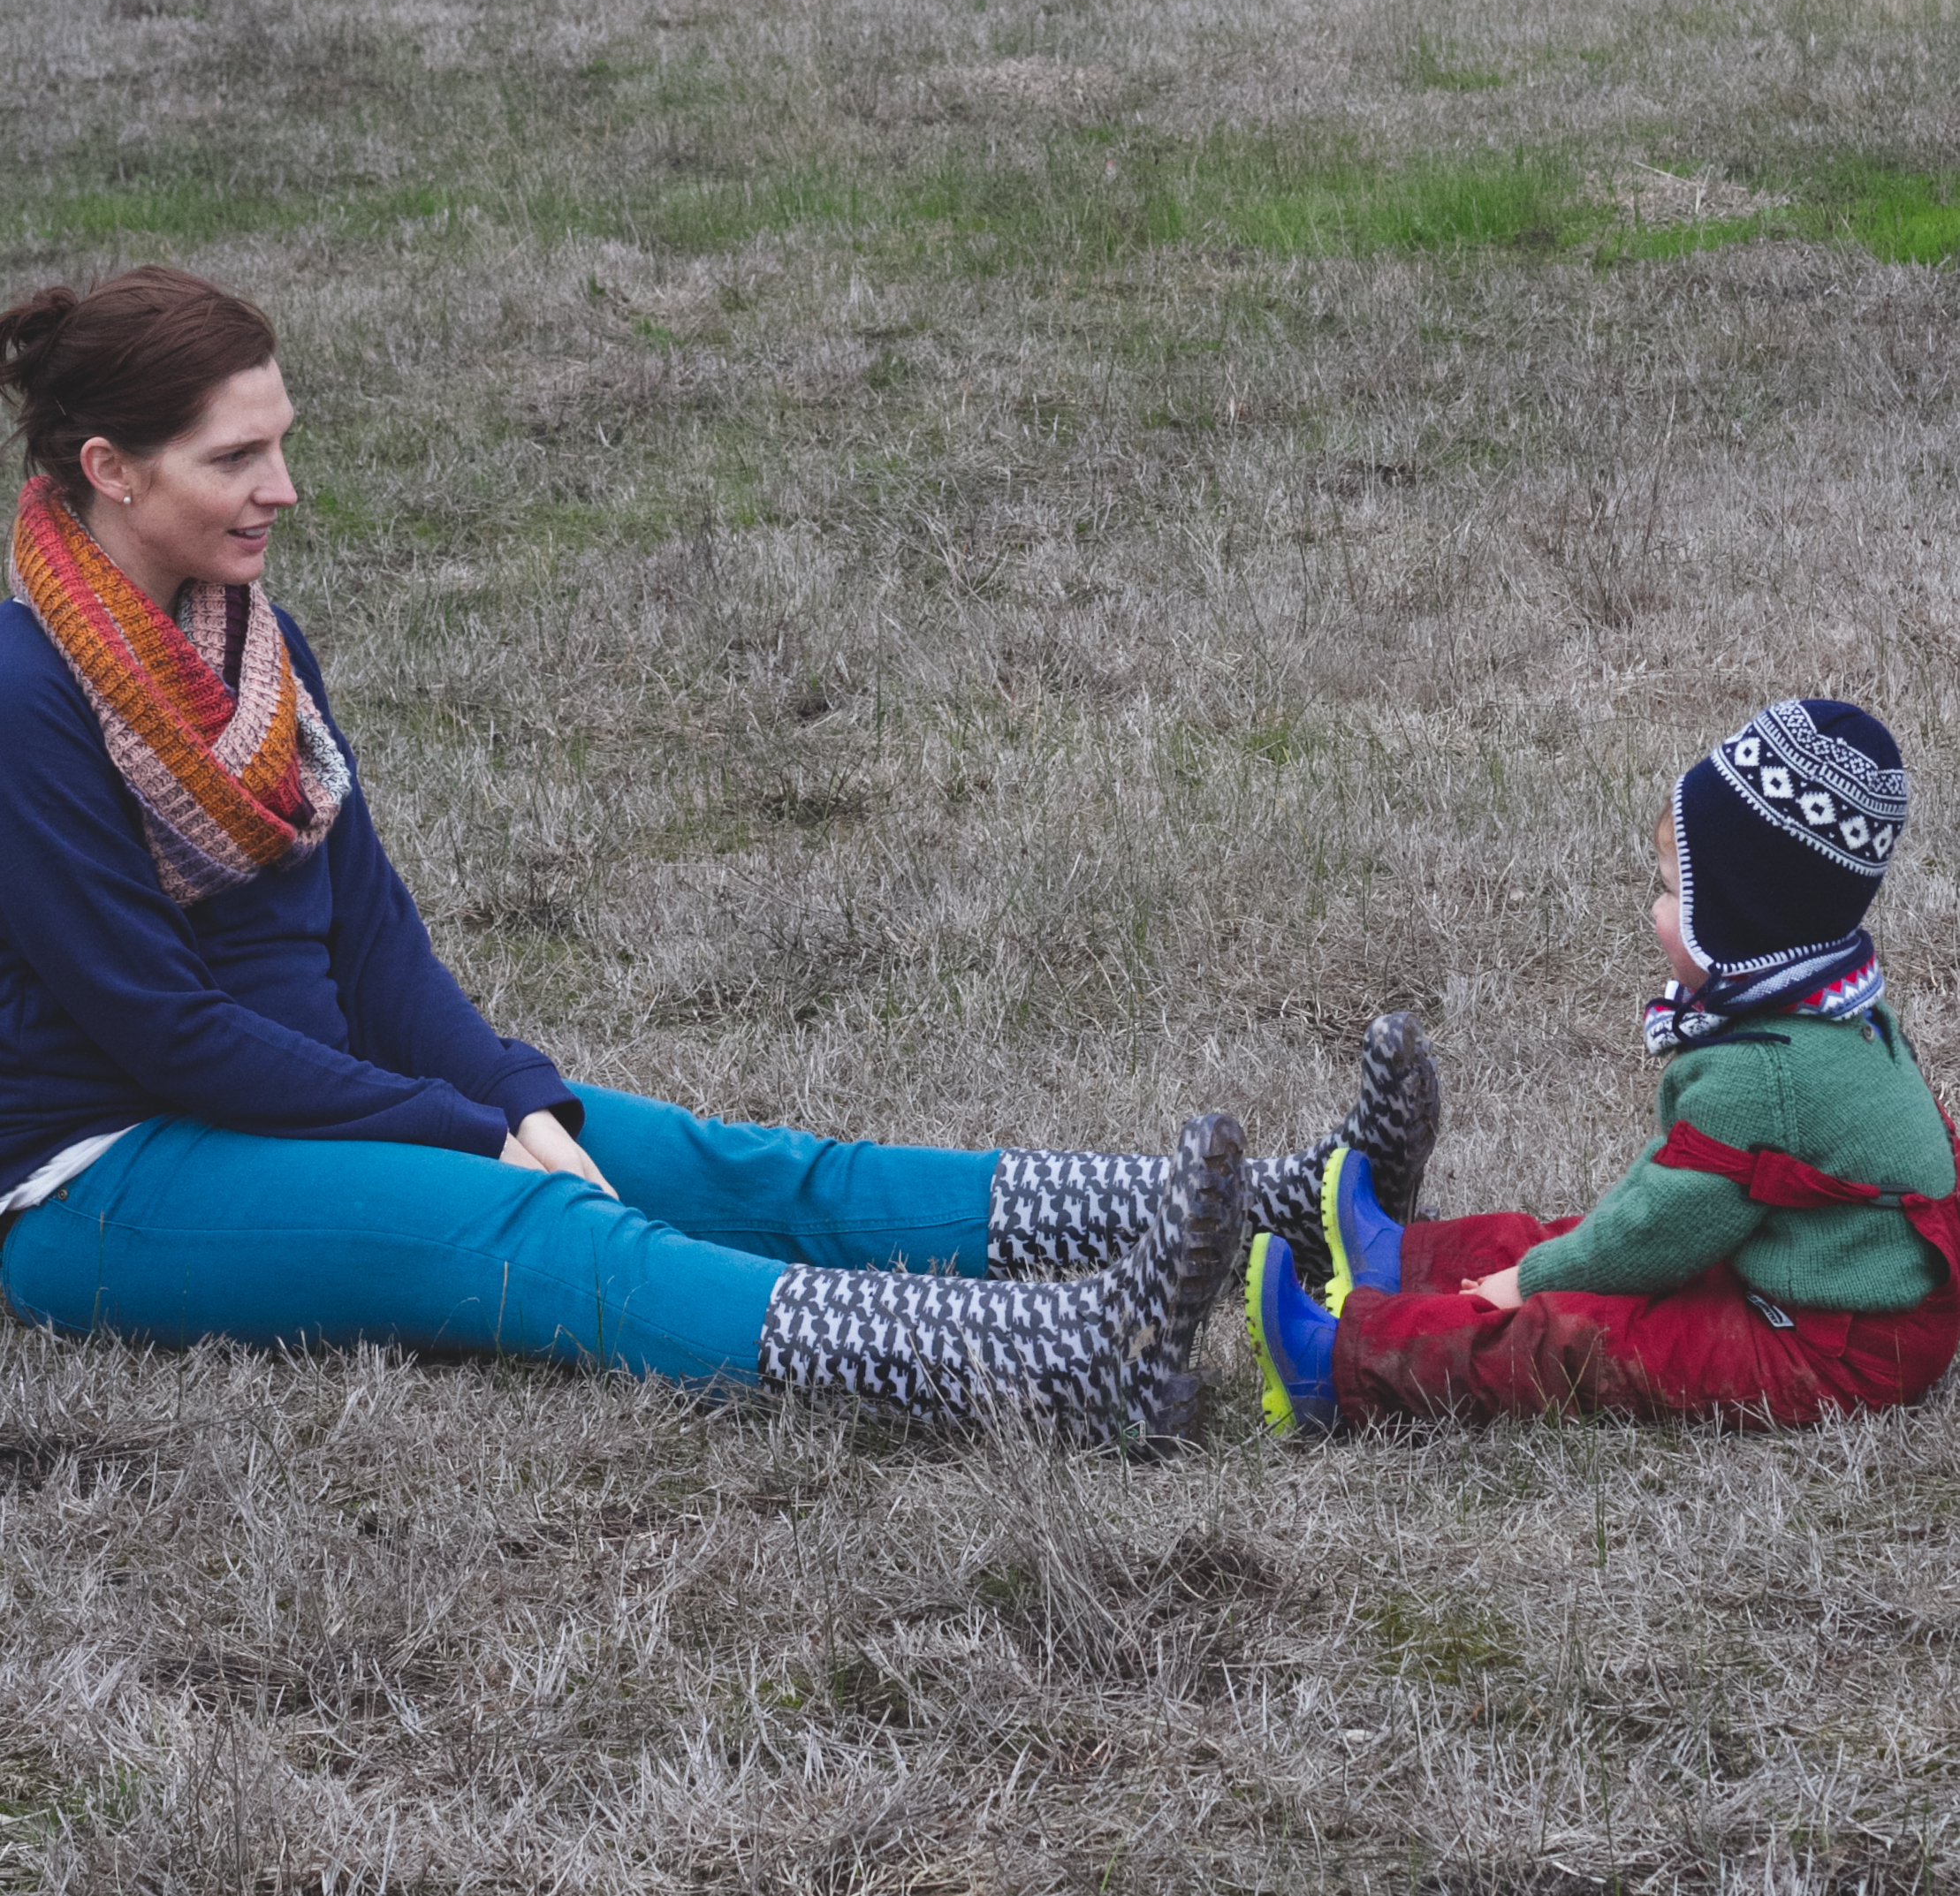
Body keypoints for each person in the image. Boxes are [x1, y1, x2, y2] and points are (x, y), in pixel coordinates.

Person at [0, 266, 1441, 1445]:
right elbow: (163, 1029)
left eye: (281, 442)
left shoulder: (257, 647)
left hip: (312, 1096)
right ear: (109, 471)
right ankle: (1055, 1361)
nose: (284, 487)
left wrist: (507, 1086)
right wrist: (466, 1129)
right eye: (235, 458)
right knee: (546, 1231)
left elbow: (371, 947)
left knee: (754, 1174)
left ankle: (1293, 1212)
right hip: (108, 1170)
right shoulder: (24, 696)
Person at [1247, 696, 1960, 1434]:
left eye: (1676, 892)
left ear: (1743, 920)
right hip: (1811, 1265)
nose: (1655, 910)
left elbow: (1656, 1236)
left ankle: (1336, 1367)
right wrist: (1550, 1262)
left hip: (1841, 1345)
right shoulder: (1832, 1003)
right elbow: (1650, 1214)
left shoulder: (1763, 1074)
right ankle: (1403, 1263)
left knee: (1576, 1335)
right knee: (1588, 1234)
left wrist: (1528, 1282)